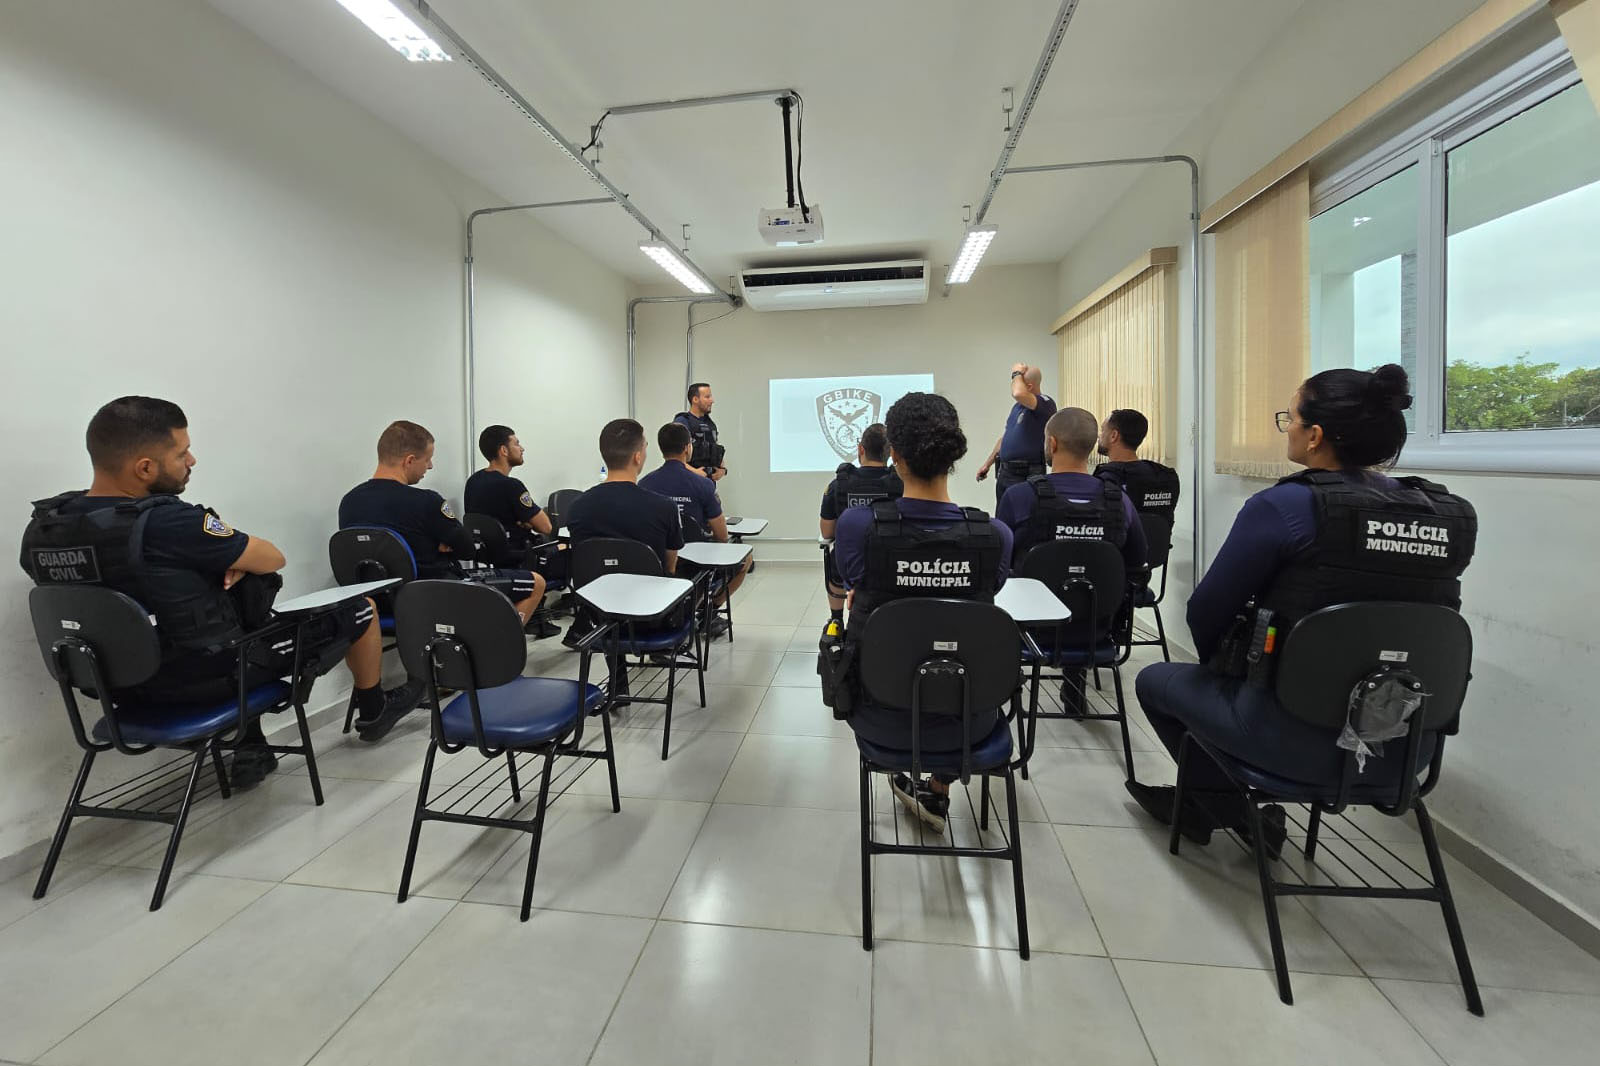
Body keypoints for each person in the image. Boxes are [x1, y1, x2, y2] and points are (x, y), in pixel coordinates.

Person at [1129, 365, 1477, 855]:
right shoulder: (1449, 516)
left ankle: (1221, 806)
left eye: (1289, 418)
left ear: (1314, 436)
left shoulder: (1286, 506)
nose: (1286, 428)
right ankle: (1221, 806)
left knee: (1154, 680)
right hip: (1406, 748)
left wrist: (1223, 671)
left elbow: (1206, 611)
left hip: (1285, 736)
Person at [19, 397, 420, 781]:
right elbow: (272, 558)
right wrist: (237, 565)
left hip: (112, 686)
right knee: (359, 608)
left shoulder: (47, 527)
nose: (191, 460)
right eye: (182, 453)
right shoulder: (168, 523)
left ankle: (251, 745)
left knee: (220, 617)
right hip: (202, 679)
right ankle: (374, 710)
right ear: (144, 468)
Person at [833, 393, 1013, 832]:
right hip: (971, 720)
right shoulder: (995, 537)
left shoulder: (857, 527)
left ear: (893, 453)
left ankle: (927, 786)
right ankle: (938, 786)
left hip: (879, 717)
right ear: (953, 454)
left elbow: (854, 584)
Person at [996, 407, 1147, 714]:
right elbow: (1137, 561)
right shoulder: (1119, 501)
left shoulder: (1019, 497)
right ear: (1092, 446)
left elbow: (1000, 566)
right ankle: (1074, 680)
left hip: (1030, 629)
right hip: (1098, 629)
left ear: (1051, 443)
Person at [338, 420, 547, 635]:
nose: (430, 466)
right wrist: (437, 544)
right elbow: (467, 550)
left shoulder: (349, 502)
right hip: (437, 594)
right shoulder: (426, 501)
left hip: (374, 603)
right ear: (409, 460)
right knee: (536, 583)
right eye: (427, 459)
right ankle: (496, 646)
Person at [641, 421, 750, 636]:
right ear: (687, 448)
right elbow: (721, 535)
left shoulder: (644, 484)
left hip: (656, 562)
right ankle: (709, 610)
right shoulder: (703, 484)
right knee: (746, 560)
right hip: (696, 564)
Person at [463, 424, 564, 638]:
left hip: (489, 555)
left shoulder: (473, 482)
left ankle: (535, 614)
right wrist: (527, 522)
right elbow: (545, 526)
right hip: (519, 555)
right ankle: (552, 618)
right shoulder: (511, 486)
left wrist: (524, 521)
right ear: (504, 450)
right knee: (568, 549)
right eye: (517, 443)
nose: (522, 448)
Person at [819, 422, 902, 621]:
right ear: (890, 452)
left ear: (861, 449)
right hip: (891, 561)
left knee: (835, 557)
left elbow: (827, 533)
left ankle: (836, 620)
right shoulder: (901, 483)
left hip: (848, 562)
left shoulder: (838, 484)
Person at [976, 363, 1057, 508]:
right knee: (1003, 515)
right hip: (1006, 472)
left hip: (1027, 473)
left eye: (1018, 381)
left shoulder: (1045, 403)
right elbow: (1005, 438)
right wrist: (987, 464)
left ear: (1029, 387)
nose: (1014, 383)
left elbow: (1018, 393)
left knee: (1022, 515)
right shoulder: (1018, 407)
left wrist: (1016, 373)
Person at [1095, 408, 1182, 521]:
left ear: (1114, 436)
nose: (1099, 436)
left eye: (1102, 430)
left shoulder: (1106, 479)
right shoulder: (1165, 476)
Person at [675, 382, 726, 481]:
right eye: (707, 397)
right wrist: (696, 472)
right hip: (688, 483)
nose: (712, 401)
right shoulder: (682, 422)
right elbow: (674, 459)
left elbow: (716, 449)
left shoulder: (711, 424)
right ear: (695, 399)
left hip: (708, 484)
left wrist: (722, 470)